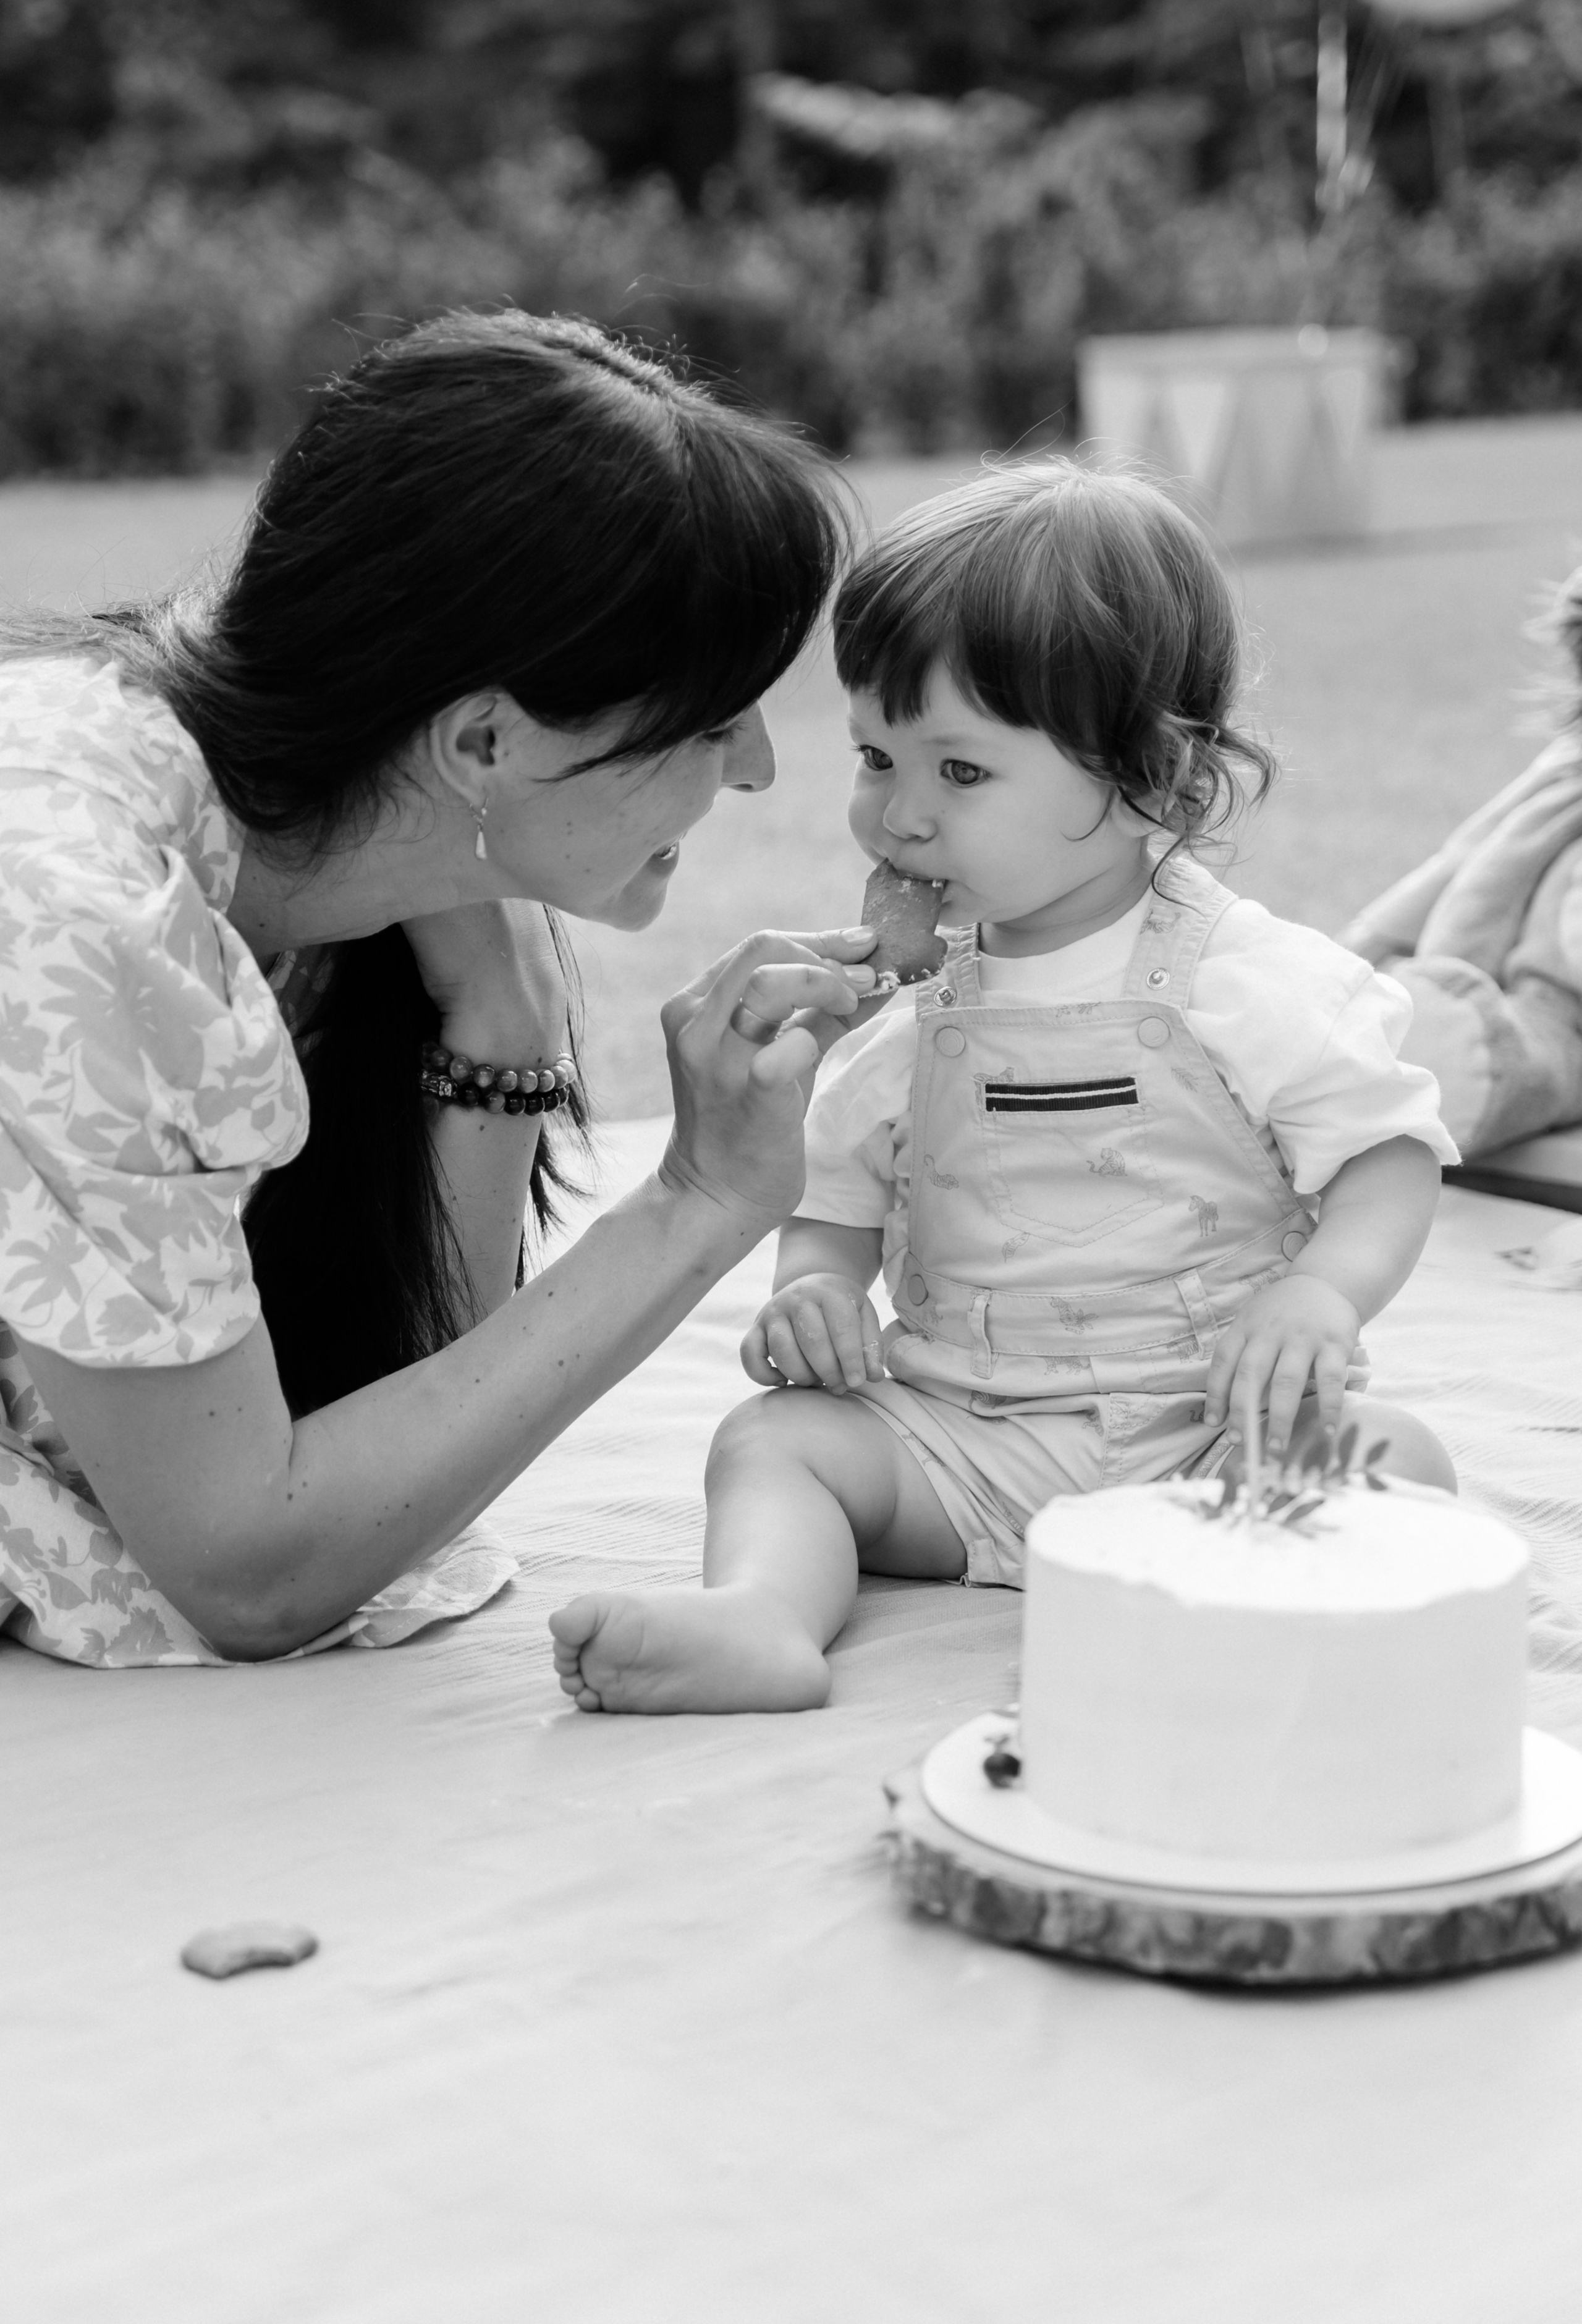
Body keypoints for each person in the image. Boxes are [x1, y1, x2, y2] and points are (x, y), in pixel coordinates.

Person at [0, 308, 879, 1668]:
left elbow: (398, 1436)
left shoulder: (256, 824)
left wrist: (503, 1033)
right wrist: (696, 1204)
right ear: (482, 739)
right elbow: (256, 1566)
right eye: (713, 720)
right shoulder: (85, 921)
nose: (760, 769)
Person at [550, 463, 1460, 1715]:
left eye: (960, 773)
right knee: (774, 1444)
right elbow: (837, 1196)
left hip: (1208, 1432)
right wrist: (813, 1289)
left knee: (1391, 1460)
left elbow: (1386, 1155)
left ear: (1156, 782)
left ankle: (1241, 1607)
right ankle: (762, 1616)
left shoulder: (1243, 982)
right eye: (876, 755)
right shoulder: (902, 1006)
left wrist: (1318, 1296)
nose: (897, 819)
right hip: (960, 1439)